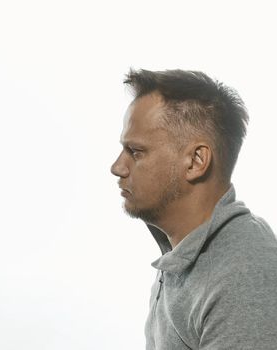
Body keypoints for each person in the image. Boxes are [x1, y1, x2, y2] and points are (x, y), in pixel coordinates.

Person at [110, 69, 277, 349]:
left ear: (196, 161)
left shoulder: (243, 274)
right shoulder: (184, 251)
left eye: (136, 152)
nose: (117, 167)